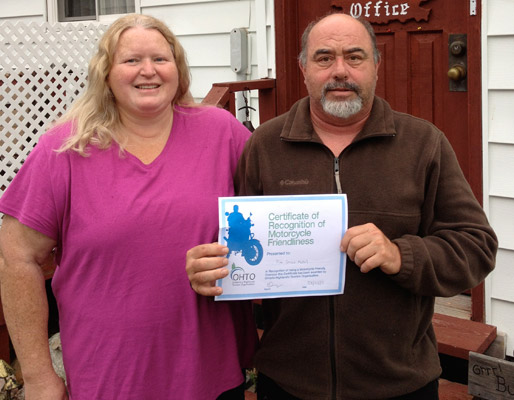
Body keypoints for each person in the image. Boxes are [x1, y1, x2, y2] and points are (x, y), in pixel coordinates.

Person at [185, 12, 498, 400]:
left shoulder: (422, 144)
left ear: (375, 66)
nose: (340, 71)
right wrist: (213, 271)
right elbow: (238, 250)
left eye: (355, 57)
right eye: (323, 58)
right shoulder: (264, 146)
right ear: (302, 69)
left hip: (398, 382)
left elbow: (476, 246)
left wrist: (402, 255)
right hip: (289, 382)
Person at [0, 14, 257, 400]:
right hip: (110, 377)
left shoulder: (222, 133)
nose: (148, 71)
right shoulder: (65, 149)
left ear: (178, 68)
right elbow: (15, 258)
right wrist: (38, 376)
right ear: (106, 73)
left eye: (160, 59)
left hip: (211, 374)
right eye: (131, 60)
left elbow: (267, 218)